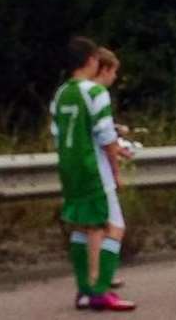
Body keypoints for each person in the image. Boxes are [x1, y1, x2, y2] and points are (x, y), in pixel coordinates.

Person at [50, 37, 136, 310]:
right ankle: (100, 290)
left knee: (82, 227)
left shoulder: (61, 94)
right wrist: (117, 167)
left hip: (69, 169)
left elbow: (56, 134)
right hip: (93, 170)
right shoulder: (95, 93)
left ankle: (84, 290)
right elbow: (105, 137)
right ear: (90, 61)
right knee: (114, 227)